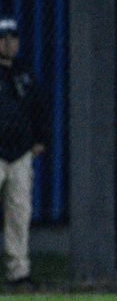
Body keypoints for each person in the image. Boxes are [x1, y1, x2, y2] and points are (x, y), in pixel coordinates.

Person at [0, 16, 50, 287]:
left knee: (19, 213)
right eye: (3, 38)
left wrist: (41, 138)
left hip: (20, 154)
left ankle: (18, 272)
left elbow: (39, 106)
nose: (8, 43)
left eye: (12, 38)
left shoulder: (24, 71)